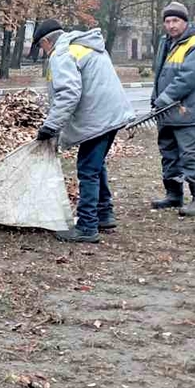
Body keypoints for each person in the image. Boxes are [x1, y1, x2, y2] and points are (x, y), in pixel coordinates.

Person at [32, 19, 132, 244]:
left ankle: (87, 226)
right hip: (112, 114)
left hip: (98, 117)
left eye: (41, 46)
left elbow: (68, 93)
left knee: (87, 169)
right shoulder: (85, 46)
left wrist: (51, 126)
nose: (43, 51)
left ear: (47, 41)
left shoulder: (62, 54)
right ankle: (104, 214)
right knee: (96, 166)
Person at [151, 1, 195, 217]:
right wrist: (156, 99)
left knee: (190, 154)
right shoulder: (167, 43)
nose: (171, 25)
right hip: (167, 111)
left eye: (175, 20)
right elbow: (160, 75)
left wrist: (165, 98)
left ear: (185, 22)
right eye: (167, 21)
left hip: (187, 111)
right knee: (168, 153)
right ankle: (174, 194)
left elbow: (188, 78)